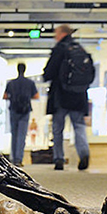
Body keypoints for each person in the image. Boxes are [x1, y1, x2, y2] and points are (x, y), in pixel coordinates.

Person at [43, 25, 91, 171]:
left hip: (61, 95)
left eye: (56, 33)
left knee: (58, 128)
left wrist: (46, 75)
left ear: (62, 34)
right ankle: (84, 153)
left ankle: (58, 159)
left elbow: (49, 72)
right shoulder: (80, 49)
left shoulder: (59, 49)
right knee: (79, 126)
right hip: (78, 95)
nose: (54, 36)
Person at [3, 63, 39, 168]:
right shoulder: (30, 83)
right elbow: (36, 96)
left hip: (13, 109)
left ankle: (13, 159)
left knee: (14, 134)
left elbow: (5, 96)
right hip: (25, 110)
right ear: (25, 70)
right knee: (21, 135)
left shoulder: (11, 83)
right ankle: (19, 159)